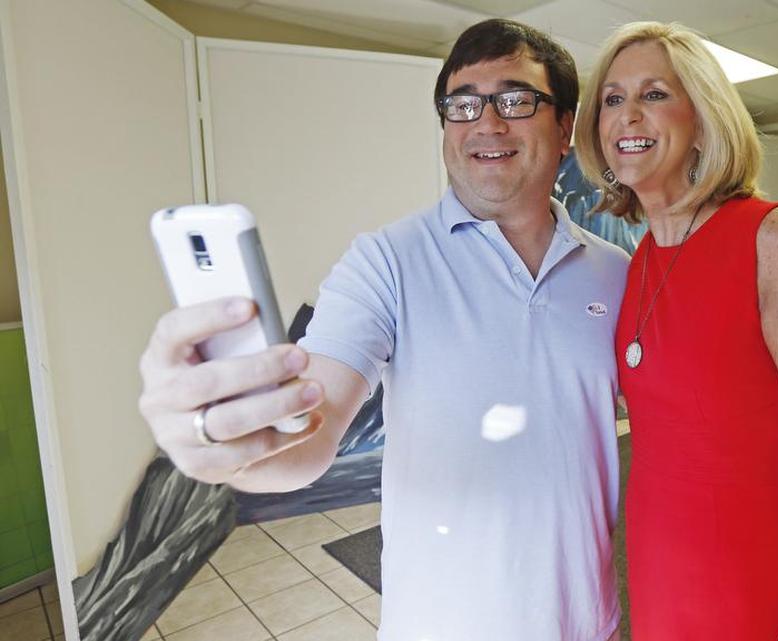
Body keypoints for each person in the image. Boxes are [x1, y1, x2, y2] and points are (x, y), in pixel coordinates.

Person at [137, 19, 629, 641]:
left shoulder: (615, 275)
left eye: (514, 99)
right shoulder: (385, 261)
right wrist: (230, 446)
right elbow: (311, 437)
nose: (486, 122)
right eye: (462, 104)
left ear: (563, 128)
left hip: (588, 623)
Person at [574, 22, 778, 641]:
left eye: (654, 94)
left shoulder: (773, 237)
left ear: (703, 119)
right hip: (659, 561)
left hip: (754, 571)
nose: (628, 115)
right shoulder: (638, 262)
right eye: (612, 99)